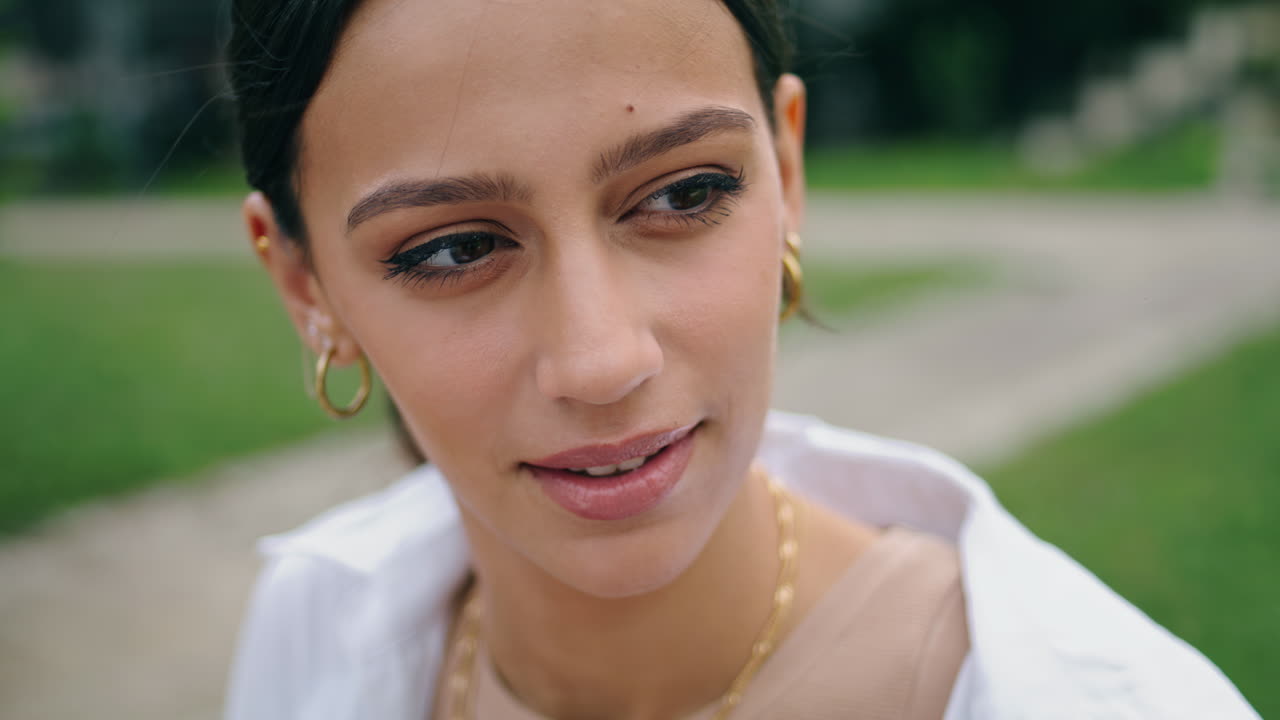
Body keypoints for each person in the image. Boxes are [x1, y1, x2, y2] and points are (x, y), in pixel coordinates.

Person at [222, 1, 1259, 718]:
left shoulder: (1092, 701)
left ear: (787, 166)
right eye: (452, 249)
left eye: (682, 194)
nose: (600, 360)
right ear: (306, 289)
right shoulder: (311, 628)